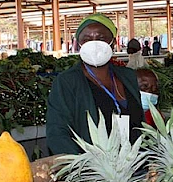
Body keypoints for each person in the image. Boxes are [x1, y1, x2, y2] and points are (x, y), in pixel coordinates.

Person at [46, 14, 143, 155]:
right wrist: (78, 165)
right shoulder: (67, 81)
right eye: (87, 39)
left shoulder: (128, 76)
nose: (94, 43)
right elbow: (57, 131)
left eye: (101, 38)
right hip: (91, 168)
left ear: (113, 42)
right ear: (78, 44)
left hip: (136, 165)